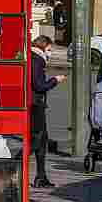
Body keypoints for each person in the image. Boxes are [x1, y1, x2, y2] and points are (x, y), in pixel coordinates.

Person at [30, 35, 65, 188]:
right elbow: (39, 85)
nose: (50, 53)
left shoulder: (33, 57)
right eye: (49, 49)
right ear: (43, 47)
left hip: (36, 104)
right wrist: (55, 80)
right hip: (35, 105)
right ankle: (14, 164)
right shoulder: (37, 60)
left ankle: (41, 176)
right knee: (36, 140)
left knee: (42, 140)